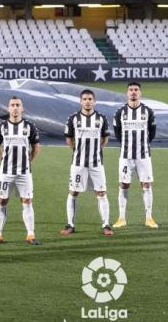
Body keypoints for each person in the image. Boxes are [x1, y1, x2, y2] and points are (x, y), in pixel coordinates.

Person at [61, 89, 113, 236]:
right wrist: (77, 150)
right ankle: (70, 224)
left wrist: (97, 150)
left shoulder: (101, 118)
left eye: (90, 99)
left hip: (96, 164)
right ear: (80, 101)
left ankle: (106, 225)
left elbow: (105, 139)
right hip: (78, 164)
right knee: (73, 191)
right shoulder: (73, 119)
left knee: (101, 193)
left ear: (94, 101)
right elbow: (69, 139)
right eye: (84, 99)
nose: (87, 101)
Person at [0, 96, 41, 245]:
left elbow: (36, 147)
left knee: (27, 200)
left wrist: (29, 160)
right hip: (5, 172)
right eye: (12, 105)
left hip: (24, 172)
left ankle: (30, 235)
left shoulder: (30, 126)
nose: (15, 108)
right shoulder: (1, 127)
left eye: (17, 105)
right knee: (2, 200)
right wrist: (2, 159)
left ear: (22, 108)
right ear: (8, 108)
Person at [112, 82, 158, 229]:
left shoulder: (148, 111)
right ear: (127, 93)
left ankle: (149, 217)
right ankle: (121, 218)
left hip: (143, 156)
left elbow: (152, 132)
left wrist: (142, 144)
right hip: (125, 156)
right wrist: (127, 144)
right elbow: (117, 132)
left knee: (146, 184)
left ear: (140, 93)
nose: (133, 92)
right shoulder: (120, 112)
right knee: (124, 184)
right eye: (131, 90)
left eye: (136, 90)